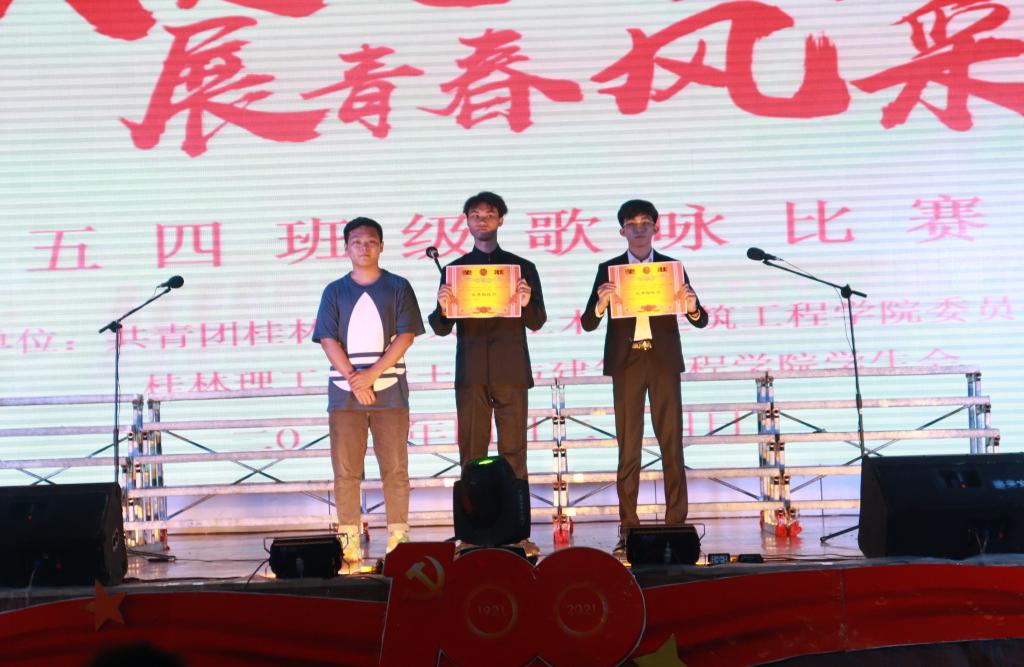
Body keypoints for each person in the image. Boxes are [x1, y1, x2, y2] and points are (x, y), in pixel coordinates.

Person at [580, 199, 708, 557]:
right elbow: (588, 322)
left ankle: (677, 524)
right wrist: (601, 304)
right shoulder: (609, 269)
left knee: (672, 444)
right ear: (622, 230)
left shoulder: (671, 268)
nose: (639, 229)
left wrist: (691, 307)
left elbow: (701, 318)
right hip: (627, 363)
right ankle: (629, 527)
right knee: (629, 446)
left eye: (645, 222)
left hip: (663, 361)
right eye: (632, 223)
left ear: (655, 228)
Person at [428, 192, 546, 552]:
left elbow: (537, 320)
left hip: (511, 370)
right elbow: (440, 328)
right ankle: (472, 532)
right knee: (471, 453)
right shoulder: (455, 271)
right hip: (472, 373)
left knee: (515, 453)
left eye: (489, 214)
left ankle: (518, 532)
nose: (482, 220)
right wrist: (443, 307)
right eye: (476, 215)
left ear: (501, 220)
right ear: (466, 221)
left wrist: (525, 301)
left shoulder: (521, 268)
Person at [313, 217, 425, 563]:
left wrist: (372, 375)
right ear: (346, 248)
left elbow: (406, 335)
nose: (364, 247)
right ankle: (348, 540)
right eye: (357, 242)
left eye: (371, 241)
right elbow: (327, 339)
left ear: (382, 246)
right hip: (344, 394)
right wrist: (354, 378)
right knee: (346, 470)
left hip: (390, 392)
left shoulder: (398, 286)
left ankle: (398, 538)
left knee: (395, 468)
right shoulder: (334, 291)